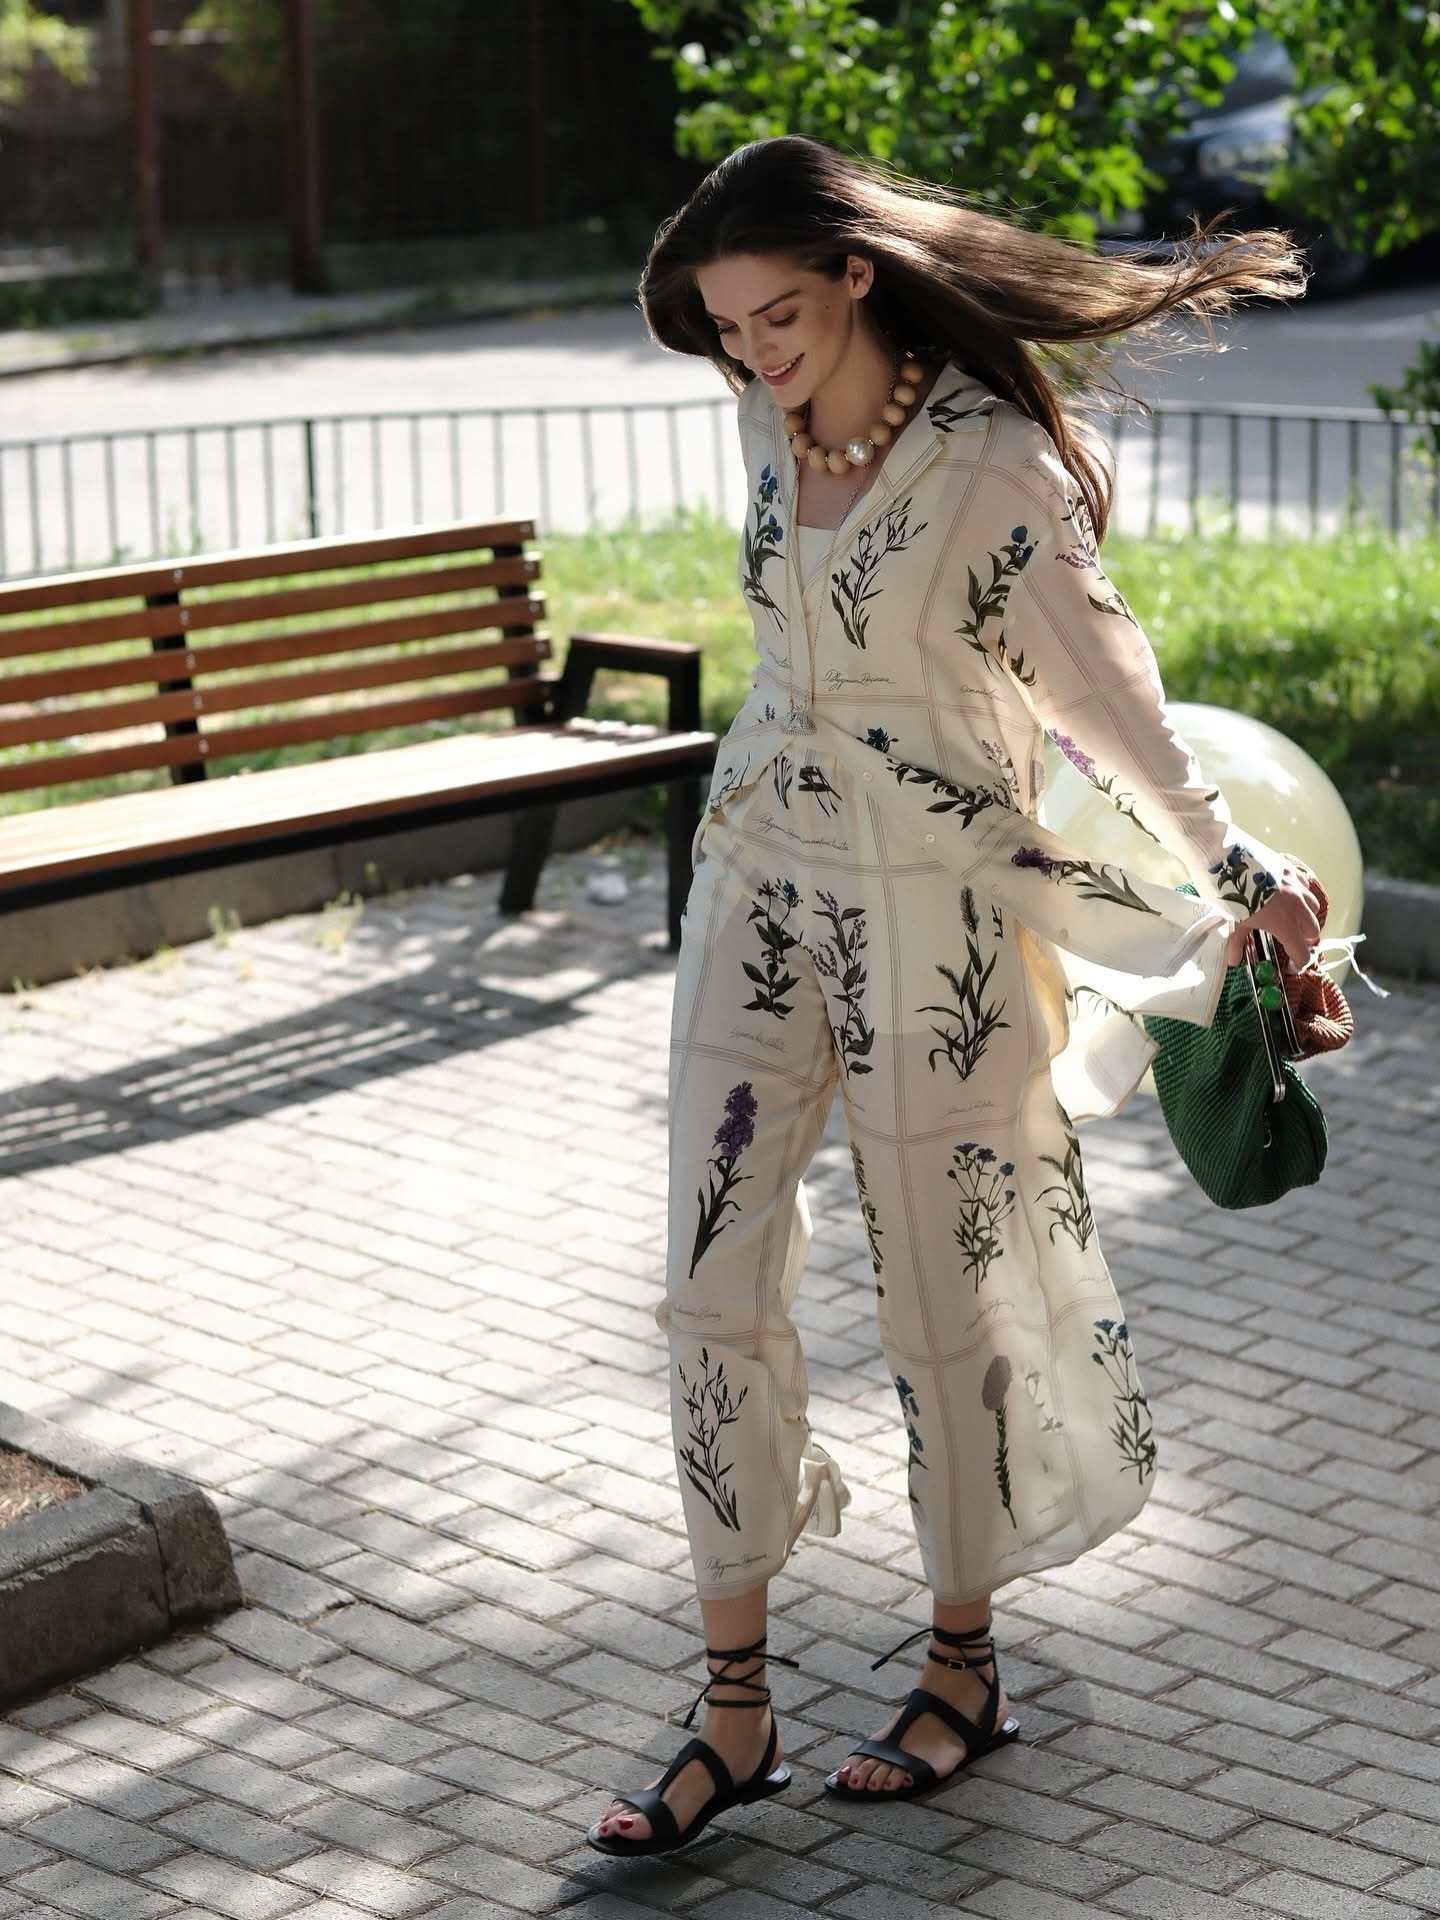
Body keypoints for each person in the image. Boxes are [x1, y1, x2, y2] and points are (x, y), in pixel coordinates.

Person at [587, 135, 1324, 1856]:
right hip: (759, 879)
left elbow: (1107, 696)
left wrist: (1233, 870)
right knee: (706, 1280)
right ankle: (733, 1713)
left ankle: (962, 1668)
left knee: (945, 1295)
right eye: (727, 328)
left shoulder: (994, 465)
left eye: (779, 316)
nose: (755, 355)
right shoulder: (761, 419)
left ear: (856, 274)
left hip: (943, 921)